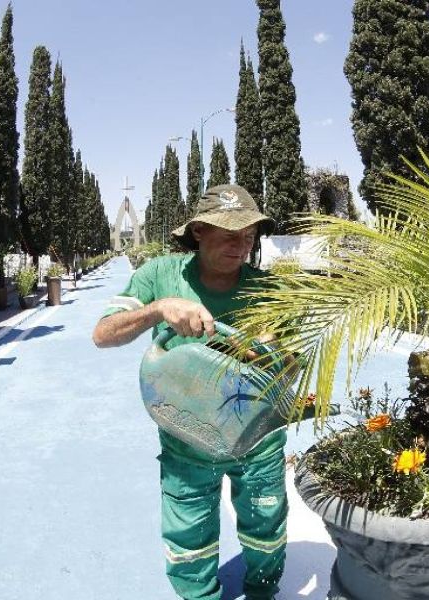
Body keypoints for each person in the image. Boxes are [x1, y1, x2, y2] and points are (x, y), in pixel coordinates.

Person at [92, 184, 286, 600]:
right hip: (186, 432)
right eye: (230, 233)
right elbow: (103, 334)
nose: (242, 245)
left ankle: (263, 591)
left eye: (250, 235)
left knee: (266, 526)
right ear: (198, 230)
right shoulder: (159, 276)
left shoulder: (270, 290)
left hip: (258, 436)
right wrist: (159, 308)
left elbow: (296, 364)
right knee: (188, 534)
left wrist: (273, 348)